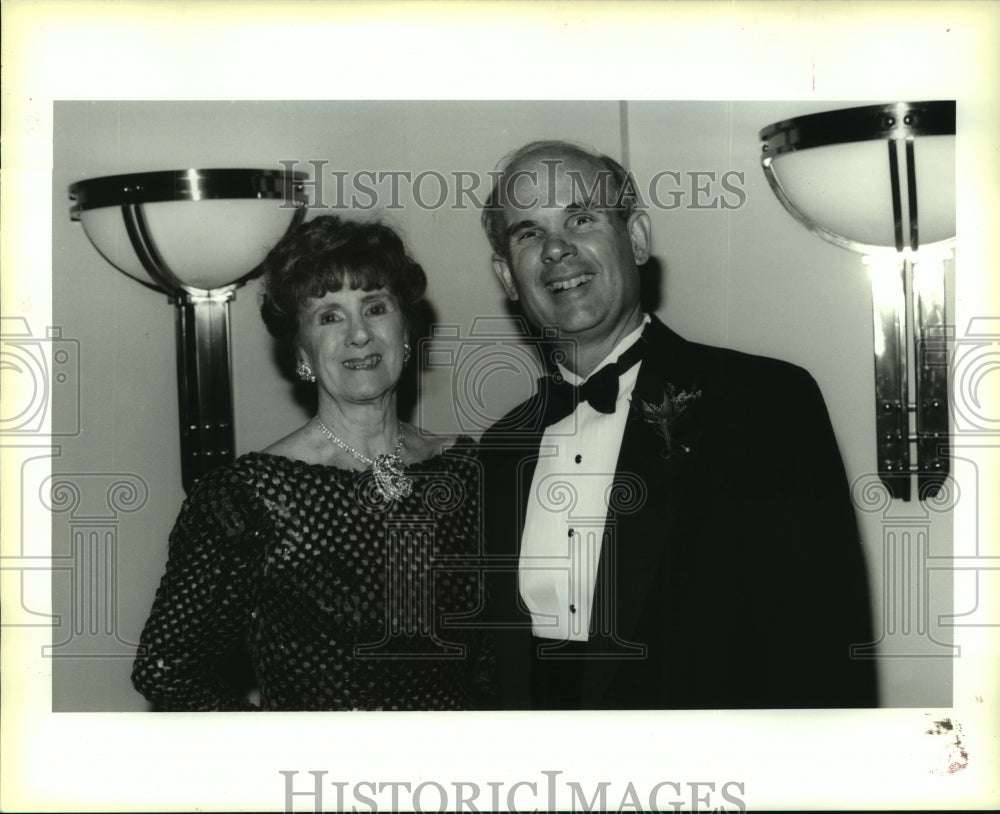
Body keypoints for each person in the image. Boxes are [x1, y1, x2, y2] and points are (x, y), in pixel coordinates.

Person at [478, 140, 878, 709]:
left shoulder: (764, 402)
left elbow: (823, 649)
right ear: (508, 276)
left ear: (636, 237)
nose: (556, 250)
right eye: (528, 233)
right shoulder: (498, 446)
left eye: (582, 218)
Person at [132, 215, 493, 711]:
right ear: (301, 352)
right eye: (329, 316)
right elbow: (167, 668)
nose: (359, 334)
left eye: (375, 307)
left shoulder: (467, 469)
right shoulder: (248, 496)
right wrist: (286, 757)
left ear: (405, 331)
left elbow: (497, 660)